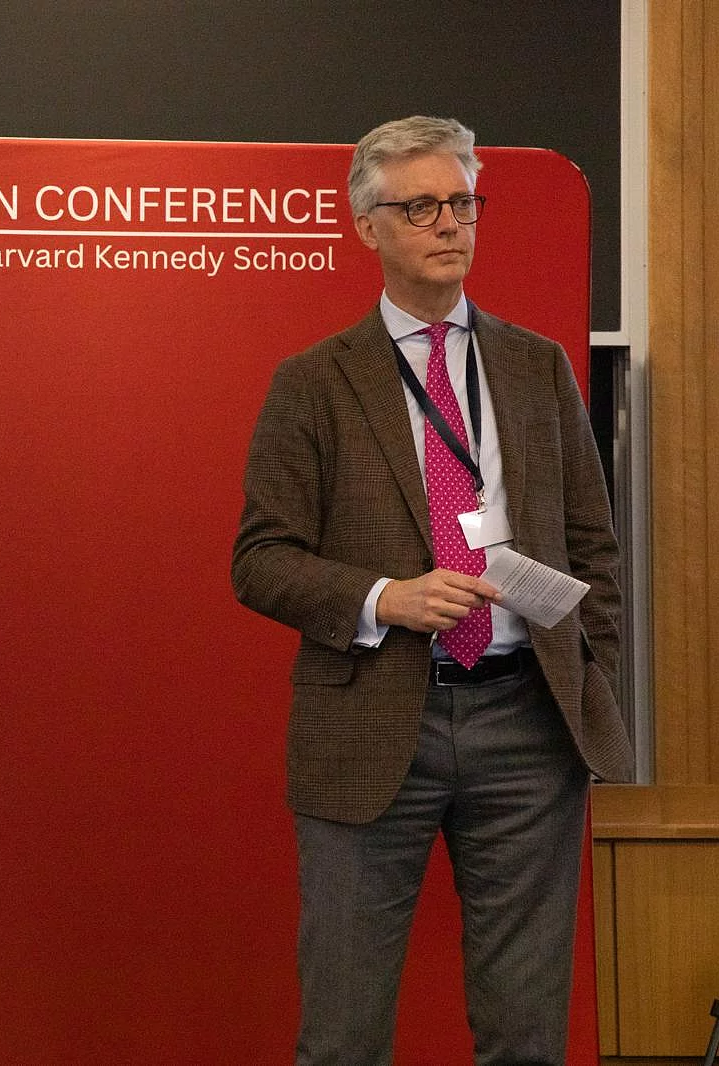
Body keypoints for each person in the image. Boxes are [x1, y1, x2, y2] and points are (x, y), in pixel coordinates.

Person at [230, 116, 632, 1064]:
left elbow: (593, 549)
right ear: (367, 227)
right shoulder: (314, 383)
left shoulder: (537, 367)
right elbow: (260, 558)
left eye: (461, 202)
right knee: (344, 1033)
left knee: (526, 1033)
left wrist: (587, 678)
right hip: (373, 725)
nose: (449, 224)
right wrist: (386, 598)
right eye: (420, 207)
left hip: (526, 726)